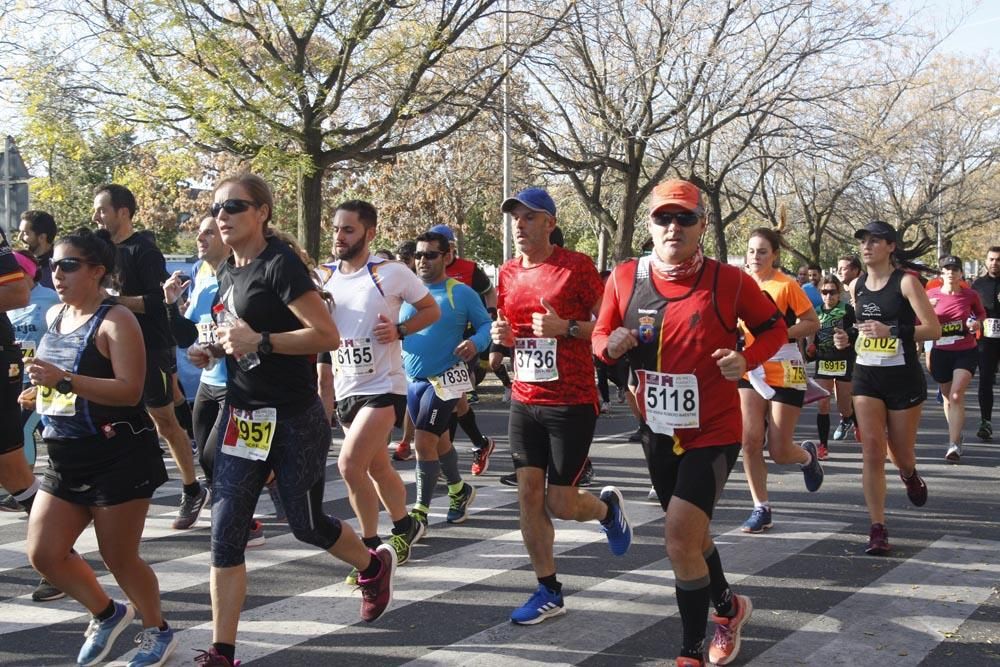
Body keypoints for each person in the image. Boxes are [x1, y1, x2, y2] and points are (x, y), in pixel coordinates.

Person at [187, 176, 396, 667]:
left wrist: (260, 341)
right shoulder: (225, 271)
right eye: (217, 207)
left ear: (261, 212)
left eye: (234, 206)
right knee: (225, 530)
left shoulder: (280, 266)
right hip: (243, 415)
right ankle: (223, 651)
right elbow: (238, 333)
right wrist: (214, 348)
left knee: (305, 524)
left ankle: (372, 564)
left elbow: (325, 336)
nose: (223, 215)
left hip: (294, 419)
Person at [594, 178, 787, 667]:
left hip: (715, 430)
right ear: (650, 224)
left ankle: (690, 652)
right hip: (656, 429)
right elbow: (599, 334)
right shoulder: (623, 278)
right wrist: (608, 345)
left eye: (685, 218)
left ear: (702, 225)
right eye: (664, 218)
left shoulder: (729, 280)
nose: (673, 227)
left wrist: (747, 361)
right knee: (695, 538)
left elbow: (773, 328)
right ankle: (729, 608)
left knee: (678, 535)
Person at [21, 227, 175, 666]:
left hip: (117, 455)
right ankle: (107, 614)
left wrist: (64, 380)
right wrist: (40, 394)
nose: (57, 274)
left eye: (68, 265)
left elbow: (130, 391)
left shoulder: (116, 320)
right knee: (44, 553)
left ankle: (156, 630)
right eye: (54, 266)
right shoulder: (56, 317)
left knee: (119, 557)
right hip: (65, 453)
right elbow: (59, 381)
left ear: (98, 272)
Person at [491, 186, 631, 625]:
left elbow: (608, 326)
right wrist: (503, 341)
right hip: (524, 397)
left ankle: (607, 510)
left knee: (561, 503)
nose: (520, 224)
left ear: (550, 223)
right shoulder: (507, 272)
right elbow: (511, 328)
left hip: (571, 398)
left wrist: (565, 326)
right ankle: (548, 589)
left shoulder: (577, 267)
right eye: (515, 217)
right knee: (529, 497)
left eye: (529, 217)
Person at [321, 199, 440, 586]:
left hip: (385, 387)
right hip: (347, 387)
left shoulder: (390, 273)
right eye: (336, 229)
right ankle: (406, 524)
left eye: (348, 230)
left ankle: (370, 552)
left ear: (369, 233)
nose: (339, 237)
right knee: (376, 467)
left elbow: (430, 310)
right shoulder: (323, 277)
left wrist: (401, 331)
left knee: (349, 465)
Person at [92, 183, 206, 530]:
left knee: (164, 420)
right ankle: (117, 485)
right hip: (111, 344)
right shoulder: (98, 247)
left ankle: (191, 488)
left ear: (122, 212)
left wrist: (115, 302)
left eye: (102, 210)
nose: (96, 216)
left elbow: (160, 302)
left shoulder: (144, 250)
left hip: (149, 344)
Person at [833, 220, 940, 555]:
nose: (867, 246)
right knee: (872, 449)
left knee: (901, 453)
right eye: (863, 241)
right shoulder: (857, 285)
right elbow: (860, 329)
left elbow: (933, 329)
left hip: (902, 377)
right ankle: (877, 527)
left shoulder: (907, 283)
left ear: (891, 246)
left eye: (875, 241)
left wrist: (892, 331)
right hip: (866, 375)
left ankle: (909, 474)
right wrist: (845, 338)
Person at [401, 230, 491, 528]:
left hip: (447, 377)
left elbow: (486, 326)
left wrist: (474, 344)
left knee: (422, 442)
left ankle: (419, 513)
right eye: (418, 255)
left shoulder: (460, 292)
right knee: (438, 443)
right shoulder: (405, 292)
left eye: (430, 255)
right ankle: (459, 490)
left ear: (447, 256)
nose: (423, 261)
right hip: (413, 379)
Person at [738, 228, 824, 533]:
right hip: (751, 368)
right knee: (749, 441)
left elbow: (812, 322)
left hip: (785, 368)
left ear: (774, 255)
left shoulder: (786, 285)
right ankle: (761, 507)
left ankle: (805, 456)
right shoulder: (740, 285)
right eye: (751, 251)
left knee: (778, 449)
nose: (755, 257)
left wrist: (777, 334)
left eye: (762, 251)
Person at [3, 252, 59, 513]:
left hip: (43, 379)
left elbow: (61, 336)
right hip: (20, 374)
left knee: (20, 439)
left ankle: (58, 542)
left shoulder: (49, 298)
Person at [927, 255, 986, 462]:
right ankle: (956, 432)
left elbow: (981, 314)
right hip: (941, 351)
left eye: (955, 269)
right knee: (946, 397)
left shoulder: (970, 295)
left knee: (955, 395)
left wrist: (977, 323)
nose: (951, 272)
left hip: (965, 350)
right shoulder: (930, 295)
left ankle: (953, 445)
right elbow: (918, 321)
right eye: (947, 269)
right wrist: (928, 308)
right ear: (941, 274)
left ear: (961, 273)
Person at [805, 274, 857, 458]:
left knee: (844, 406)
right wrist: (809, 348)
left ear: (839, 292)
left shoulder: (847, 310)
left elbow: (857, 331)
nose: (829, 296)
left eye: (832, 292)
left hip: (844, 360)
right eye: (824, 292)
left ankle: (852, 420)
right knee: (823, 403)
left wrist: (848, 336)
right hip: (824, 360)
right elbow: (811, 334)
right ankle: (823, 445)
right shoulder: (816, 311)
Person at [972, 246, 1000, 441]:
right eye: (991, 259)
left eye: (998, 260)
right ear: (986, 261)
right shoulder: (978, 285)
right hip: (986, 340)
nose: (994, 263)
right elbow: (970, 310)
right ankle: (986, 421)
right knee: (985, 381)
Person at [18, 209, 57, 288]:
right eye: (20, 232)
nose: (19, 237)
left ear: (42, 237)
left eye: (25, 233)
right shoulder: (16, 265)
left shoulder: (59, 268)